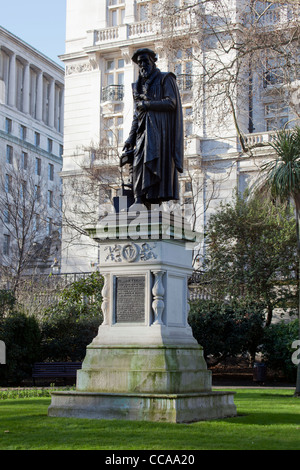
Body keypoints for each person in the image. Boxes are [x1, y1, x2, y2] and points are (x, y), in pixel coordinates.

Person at [121, 48, 184, 208]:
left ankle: (152, 201)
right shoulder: (137, 86)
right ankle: (139, 200)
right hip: (143, 132)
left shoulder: (165, 79)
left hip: (160, 132)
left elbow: (171, 102)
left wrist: (147, 104)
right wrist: (130, 138)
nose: (142, 65)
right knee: (138, 163)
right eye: (139, 62)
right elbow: (137, 115)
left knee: (155, 165)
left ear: (152, 62)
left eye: (145, 61)